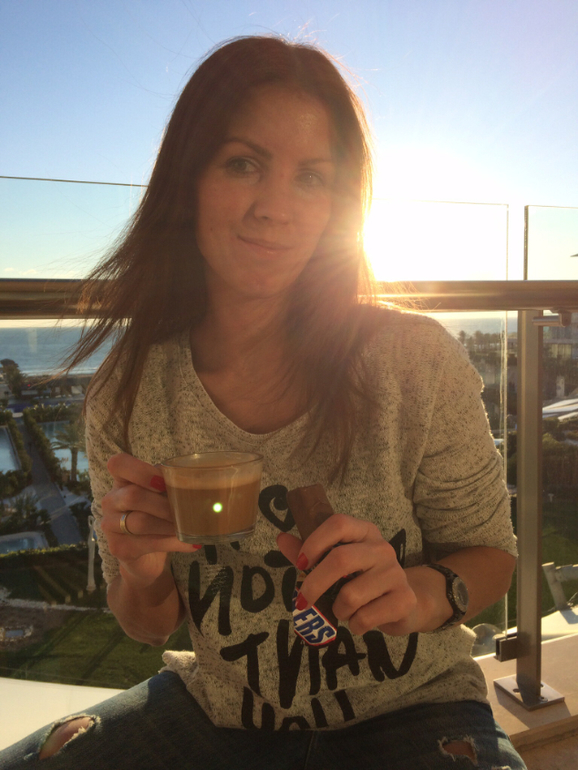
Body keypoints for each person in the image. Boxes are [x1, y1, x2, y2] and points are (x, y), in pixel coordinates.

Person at [1, 35, 526, 769]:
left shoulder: (413, 360)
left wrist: (419, 594)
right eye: (243, 163)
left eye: (311, 177)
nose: (276, 208)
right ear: (187, 182)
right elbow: (147, 624)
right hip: (219, 713)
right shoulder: (131, 387)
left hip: (416, 708)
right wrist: (141, 568)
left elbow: (491, 555)